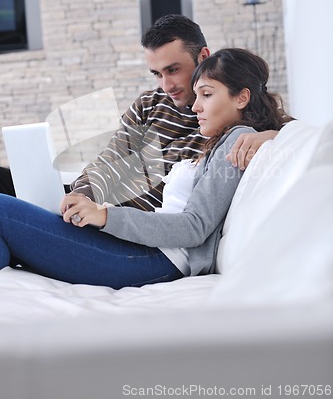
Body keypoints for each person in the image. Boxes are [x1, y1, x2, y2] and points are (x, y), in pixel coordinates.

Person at [0, 48, 290, 289]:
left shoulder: (238, 141)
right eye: (197, 96)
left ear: (242, 97)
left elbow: (194, 227)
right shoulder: (226, 140)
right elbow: (111, 158)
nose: (195, 107)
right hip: (139, 248)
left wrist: (105, 217)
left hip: (150, 260)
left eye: (207, 95)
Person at [0, 15, 278, 206]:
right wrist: (83, 193)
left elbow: (298, 133)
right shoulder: (149, 103)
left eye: (173, 70)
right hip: (95, 205)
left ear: (203, 57)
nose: (166, 85)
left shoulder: (228, 112)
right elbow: (111, 156)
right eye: (157, 73)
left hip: (127, 220)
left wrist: (270, 136)